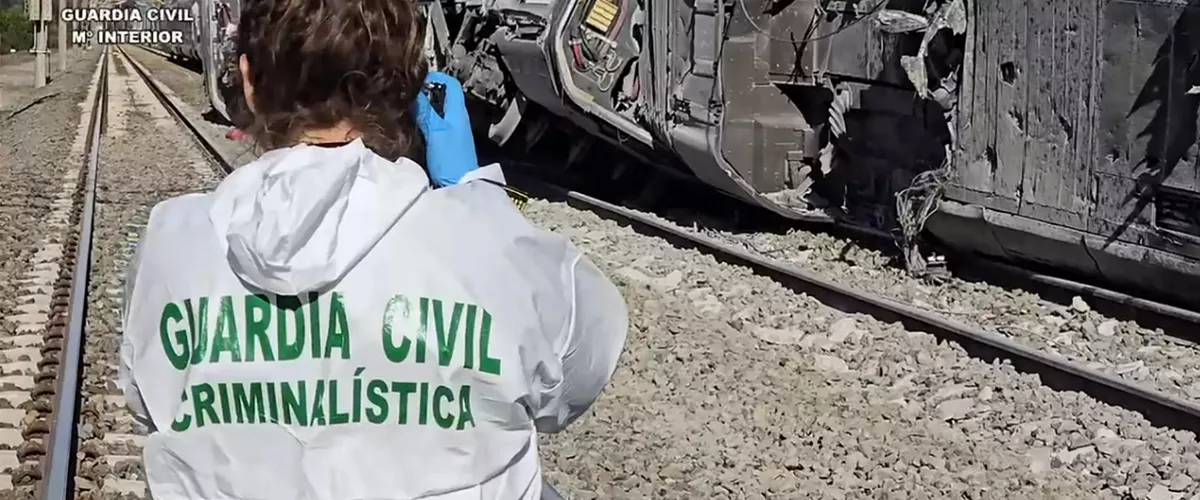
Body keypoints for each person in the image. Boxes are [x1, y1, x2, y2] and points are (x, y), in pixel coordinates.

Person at [116, 0, 629, 498]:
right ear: (411, 88)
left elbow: (147, 402)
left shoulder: (171, 239)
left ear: (248, 81)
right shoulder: (499, 250)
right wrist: (478, 202)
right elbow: (573, 378)